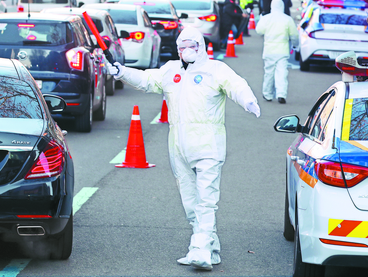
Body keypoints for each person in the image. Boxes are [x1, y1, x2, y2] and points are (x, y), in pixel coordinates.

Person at [107, 27, 260, 271]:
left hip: (209, 145)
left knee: (206, 201)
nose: (187, 50)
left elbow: (236, 85)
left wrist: (248, 100)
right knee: (191, 203)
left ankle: (199, 251)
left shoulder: (215, 70)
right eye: (182, 46)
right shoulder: (171, 71)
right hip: (178, 147)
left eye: (192, 45)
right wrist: (121, 72)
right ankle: (212, 249)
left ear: (201, 46)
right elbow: (147, 80)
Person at [255, 0, 298, 104]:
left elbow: (259, 30)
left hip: (269, 50)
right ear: (282, 6)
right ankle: (281, 94)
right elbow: (294, 35)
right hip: (282, 51)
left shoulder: (266, 18)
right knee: (282, 73)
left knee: (268, 73)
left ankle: (267, 94)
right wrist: (295, 45)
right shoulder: (287, 19)